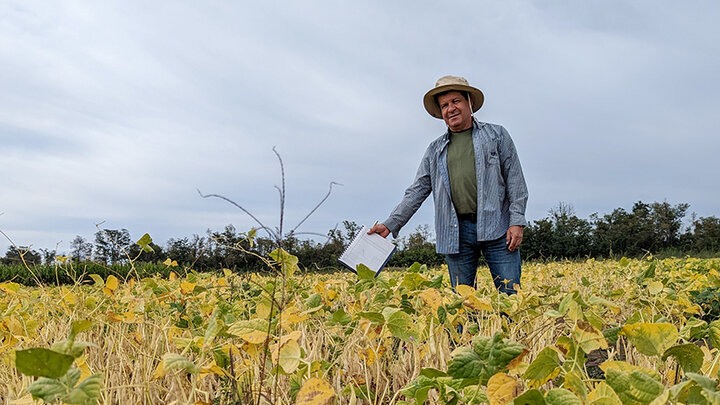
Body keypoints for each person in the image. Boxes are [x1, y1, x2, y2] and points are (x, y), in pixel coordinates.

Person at [368, 75, 528, 294]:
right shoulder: (435, 150)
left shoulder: (497, 135)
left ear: (469, 102)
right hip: (456, 233)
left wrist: (516, 221)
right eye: (444, 105)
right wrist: (390, 224)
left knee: (511, 295)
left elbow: (515, 180)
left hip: (499, 228)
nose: (450, 108)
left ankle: (514, 329)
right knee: (462, 302)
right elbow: (417, 191)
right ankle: (468, 330)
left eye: (455, 101)